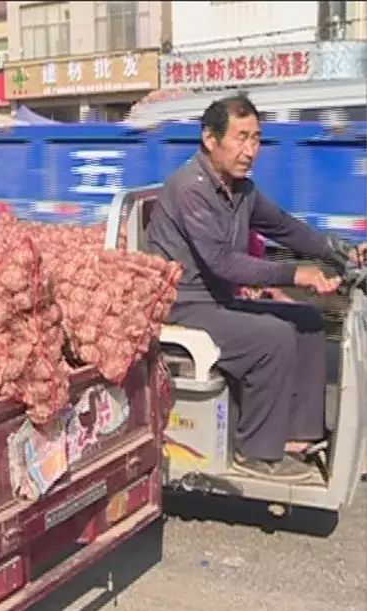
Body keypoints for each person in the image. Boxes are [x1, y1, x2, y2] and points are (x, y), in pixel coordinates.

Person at [146, 93, 354, 483]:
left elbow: (284, 226)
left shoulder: (240, 190)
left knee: (306, 320)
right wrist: (296, 274)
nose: (250, 150)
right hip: (184, 305)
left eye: (256, 139)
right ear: (211, 139)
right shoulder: (190, 188)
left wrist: (336, 252)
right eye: (241, 138)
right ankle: (256, 452)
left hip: (216, 300)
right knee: (271, 337)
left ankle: (296, 437)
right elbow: (222, 262)